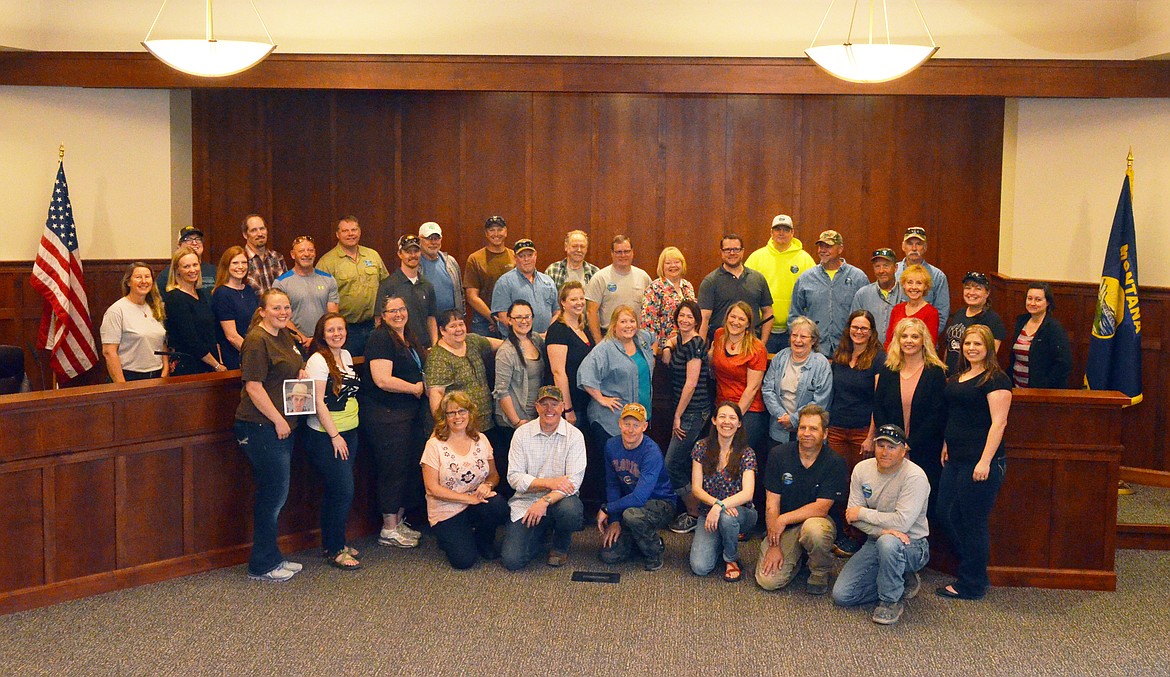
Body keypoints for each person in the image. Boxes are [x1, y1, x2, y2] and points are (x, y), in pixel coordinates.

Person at [232, 288, 305, 582]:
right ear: (262, 311)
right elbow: (253, 387)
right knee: (272, 495)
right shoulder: (256, 340)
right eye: (276, 308)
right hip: (260, 425)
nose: (283, 312)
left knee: (279, 493)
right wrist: (278, 420)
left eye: (286, 307)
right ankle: (261, 564)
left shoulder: (284, 334)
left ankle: (273, 556)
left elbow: (288, 370)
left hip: (282, 425)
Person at [937, 324, 1013, 600]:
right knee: (945, 511)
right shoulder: (960, 376)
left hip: (980, 462)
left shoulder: (996, 379)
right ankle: (971, 567)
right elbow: (956, 414)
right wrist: (947, 442)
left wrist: (985, 461)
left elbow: (999, 423)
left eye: (978, 344)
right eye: (968, 343)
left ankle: (972, 583)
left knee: (972, 521)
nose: (971, 348)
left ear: (988, 348)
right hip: (955, 458)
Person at [831, 424, 931, 626]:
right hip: (874, 540)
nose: (885, 452)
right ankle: (899, 578)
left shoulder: (915, 477)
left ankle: (890, 600)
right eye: (881, 445)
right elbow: (852, 517)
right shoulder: (862, 469)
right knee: (843, 595)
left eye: (892, 447)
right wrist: (881, 529)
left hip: (912, 545)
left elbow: (902, 523)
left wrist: (864, 513)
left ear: (904, 451)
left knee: (889, 543)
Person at [755, 404, 848, 595]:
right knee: (768, 581)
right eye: (803, 427)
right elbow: (772, 504)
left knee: (814, 531)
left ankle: (819, 571)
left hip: (816, 522)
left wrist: (783, 519)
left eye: (814, 428)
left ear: (825, 434)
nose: (807, 433)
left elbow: (821, 508)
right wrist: (774, 545)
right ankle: (799, 558)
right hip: (785, 529)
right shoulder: (778, 455)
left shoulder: (835, 462)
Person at [362, 294, 431, 549]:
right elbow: (382, 379)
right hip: (386, 416)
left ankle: (399, 521)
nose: (399, 314)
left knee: (406, 467)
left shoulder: (407, 335)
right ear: (382, 316)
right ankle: (388, 528)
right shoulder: (380, 338)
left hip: (408, 414)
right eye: (392, 311)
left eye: (402, 309)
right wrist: (414, 388)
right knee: (392, 469)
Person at [501, 386, 587, 570]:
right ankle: (542, 530)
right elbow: (514, 478)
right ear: (537, 407)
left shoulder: (575, 436)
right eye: (544, 404)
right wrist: (549, 482)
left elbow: (573, 483)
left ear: (563, 406)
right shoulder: (521, 434)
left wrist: (544, 501)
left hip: (560, 500)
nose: (550, 409)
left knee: (570, 510)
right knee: (512, 561)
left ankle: (560, 544)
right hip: (525, 503)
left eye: (554, 404)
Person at [422, 390, 510, 570]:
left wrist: (487, 485)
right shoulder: (434, 445)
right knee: (463, 561)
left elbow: (494, 475)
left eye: (462, 411)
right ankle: (448, 537)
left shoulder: (481, 439)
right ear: (444, 417)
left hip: (476, 502)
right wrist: (469, 499)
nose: (457, 417)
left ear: (470, 413)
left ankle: (483, 539)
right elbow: (431, 488)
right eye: (451, 413)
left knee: (498, 505)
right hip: (447, 510)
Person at [577, 305, 655, 503]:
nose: (628, 326)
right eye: (623, 321)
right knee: (611, 470)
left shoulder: (642, 339)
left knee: (632, 468)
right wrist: (601, 398)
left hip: (639, 417)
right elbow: (585, 374)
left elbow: (657, 339)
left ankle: (628, 508)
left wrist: (668, 347)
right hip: (610, 420)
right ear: (614, 325)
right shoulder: (605, 348)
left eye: (631, 321)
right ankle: (608, 511)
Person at [303, 312, 362, 570]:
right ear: (321, 334)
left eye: (340, 329)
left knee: (339, 491)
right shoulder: (318, 360)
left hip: (350, 430)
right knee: (342, 490)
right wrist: (334, 436)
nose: (336, 334)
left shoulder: (346, 355)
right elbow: (317, 402)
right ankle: (335, 548)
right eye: (331, 330)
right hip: (327, 435)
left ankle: (335, 540)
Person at [873, 317, 948, 505]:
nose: (909, 341)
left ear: (924, 340)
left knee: (922, 501)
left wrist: (909, 444)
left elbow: (937, 415)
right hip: (891, 449)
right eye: (904, 336)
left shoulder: (935, 372)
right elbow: (879, 407)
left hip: (924, 448)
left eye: (914, 336)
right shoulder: (889, 370)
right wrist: (893, 442)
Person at [597, 403, 675, 571]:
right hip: (629, 505)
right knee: (608, 555)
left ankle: (654, 551)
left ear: (644, 427)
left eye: (636, 425)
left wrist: (608, 509)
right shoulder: (611, 445)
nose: (630, 430)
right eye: (627, 424)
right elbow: (612, 484)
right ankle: (637, 540)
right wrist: (615, 520)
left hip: (660, 503)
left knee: (632, 516)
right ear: (620, 423)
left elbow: (640, 497)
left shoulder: (651, 452)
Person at [689, 402, 758, 582]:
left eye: (732, 418)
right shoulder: (701, 447)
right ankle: (722, 540)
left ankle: (731, 558)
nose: (727, 422)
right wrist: (717, 505)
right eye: (722, 417)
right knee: (700, 567)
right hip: (709, 513)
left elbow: (748, 493)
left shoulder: (746, 453)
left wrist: (720, 506)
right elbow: (696, 488)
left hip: (741, 513)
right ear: (713, 420)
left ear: (739, 423)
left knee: (727, 518)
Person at [660, 300, 710, 534]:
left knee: (672, 464)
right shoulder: (680, 341)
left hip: (692, 411)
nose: (685, 320)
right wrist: (668, 345)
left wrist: (678, 416)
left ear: (697, 320)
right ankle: (695, 510)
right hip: (682, 410)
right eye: (682, 316)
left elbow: (691, 383)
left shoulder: (696, 344)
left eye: (690, 317)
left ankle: (694, 513)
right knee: (680, 463)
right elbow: (666, 359)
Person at [425, 309, 505, 450]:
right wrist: (443, 425)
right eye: (453, 326)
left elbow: (502, 345)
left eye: (461, 324)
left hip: (487, 423)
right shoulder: (437, 358)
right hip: (461, 428)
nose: (459, 329)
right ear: (442, 330)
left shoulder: (472, 341)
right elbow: (436, 394)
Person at [788, 229, 870, 356]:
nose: (823, 250)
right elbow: (795, 315)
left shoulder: (858, 278)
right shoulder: (806, 278)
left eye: (829, 246)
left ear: (840, 249)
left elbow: (867, 316)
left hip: (849, 350)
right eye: (821, 246)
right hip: (815, 350)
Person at [316, 215, 389, 356]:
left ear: (359, 232)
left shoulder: (372, 255)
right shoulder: (327, 262)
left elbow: (386, 286)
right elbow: (319, 298)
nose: (351, 234)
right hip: (345, 329)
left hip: (374, 325)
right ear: (337, 234)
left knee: (375, 365)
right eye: (345, 231)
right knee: (348, 368)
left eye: (354, 230)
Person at [745, 214, 817, 353]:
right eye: (778, 229)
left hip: (795, 332)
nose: (781, 233)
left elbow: (813, 294)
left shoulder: (805, 259)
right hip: (762, 329)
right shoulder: (756, 257)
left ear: (792, 233)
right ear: (771, 232)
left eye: (786, 229)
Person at [709, 301, 770, 465]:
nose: (735, 322)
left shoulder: (756, 348)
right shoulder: (719, 335)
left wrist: (733, 418)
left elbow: (752, 388)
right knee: (717, 456)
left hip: (748, 410)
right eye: (733, 317)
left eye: (741, 319)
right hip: (721, 405)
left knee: (737, 457)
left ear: (749, 323)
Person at [761, 316, 833, 447]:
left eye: (803, 337)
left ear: (813, 340)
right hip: (778, 428)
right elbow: (767, 389)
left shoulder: (821, 364)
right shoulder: (780, 357)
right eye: (794, 335)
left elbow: (821, 401)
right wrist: (782, 416)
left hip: (809, 433)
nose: (798, 340)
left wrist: (794, 420)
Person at [828, 309, 886, 469]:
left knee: (861, 480)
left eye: (864, 328)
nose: (858, 332)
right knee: (838, 478)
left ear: (871, 332)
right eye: (855, 327)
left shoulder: (879, 358)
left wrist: (871, 437)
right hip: (837, 429)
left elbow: (879, 400)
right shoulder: (840, 355)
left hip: (863, 431)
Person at [697, 233, 773, 345]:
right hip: (721, 344)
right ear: (721, 252)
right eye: (727, 250)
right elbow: (704, 318)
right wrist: (700, 350)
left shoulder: (758, 278)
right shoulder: (710, 281)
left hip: (752, 344)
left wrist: (763, 342)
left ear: (742, 251)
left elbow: (768, 312)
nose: (732, 253)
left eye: (736, 249)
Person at [100, 262, 168, 382]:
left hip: (156, 376)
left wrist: (165, 368)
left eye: (147, 277)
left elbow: (161, 342)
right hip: (129, 377)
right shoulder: (117, 311)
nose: (144, 281)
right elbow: (109, 352)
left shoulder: (156, 307)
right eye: (138, 277)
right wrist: (122, 385)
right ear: (128, 282)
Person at [164, 247, 226, 376]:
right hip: (190, 367)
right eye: (186, 266)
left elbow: (211, 332)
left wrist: (218, 361)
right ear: (177, 270)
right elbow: (191, 339)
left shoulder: (201, 294)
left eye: (195, 265)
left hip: (210, 364)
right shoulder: (175, 298)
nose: (192, 270)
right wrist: (216, 365)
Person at [272, 235, 339, 349]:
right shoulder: (281, 283)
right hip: (294, 343)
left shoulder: (329, 280)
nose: (306, 254)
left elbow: (332, 314)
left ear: (315, 253)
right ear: (293, 255)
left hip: (324, 341)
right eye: (301, 251)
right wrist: (301, 338)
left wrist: (318, 338)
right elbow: (280, 316)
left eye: (310, 250)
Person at [545, 281, 595, 429]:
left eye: (581, 298)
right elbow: (558, 372)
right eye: (573, 299)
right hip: (569, 404)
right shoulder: (558, 330)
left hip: (584, 400)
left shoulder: (583, 328)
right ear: (563, 302)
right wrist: (567, 408)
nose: (579, 303)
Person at [585, 235, 652, 343]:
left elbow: (651, 310)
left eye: (626, 251)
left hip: (637, 337)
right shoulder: (600, 278)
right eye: (619, 252)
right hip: (609, 337)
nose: (623, 255)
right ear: (612, 253)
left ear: (632, 252)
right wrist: (599, 342)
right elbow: (591, 312)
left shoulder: (643, 277)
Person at [377, 234, 439, 348]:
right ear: (400, 254)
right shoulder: (388, 285)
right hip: (398, 348)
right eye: (408, 252)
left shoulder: (427, 285)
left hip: (424, 348)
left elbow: (431, 318)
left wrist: (435, 345)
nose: (413, 255)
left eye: (416, 251)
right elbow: (378, 320)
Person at [494, 300, 547, 433]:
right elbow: (501, 391)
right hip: (514, 421)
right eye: (518, 317)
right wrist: (516, 422)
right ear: (510, 320)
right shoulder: (506, 352)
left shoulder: (536, 340)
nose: (524, 321)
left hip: (536, 416)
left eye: (527, 317)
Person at [1008, 281, 1072, 389]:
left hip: (1041, 392)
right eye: (1029, 298)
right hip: (1017, 387)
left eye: (1038, 300)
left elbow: (1064, 364)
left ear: (1047, 302)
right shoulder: (1021, 321)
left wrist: (1044, 387)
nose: (1032, 303)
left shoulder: (1053, 328)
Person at [491, 238, 559, 337]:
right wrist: (526, 335)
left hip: (546, 340)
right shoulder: (504, 283)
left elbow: (557, 311)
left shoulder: (548, 281)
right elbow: (503, 316)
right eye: (522, 256)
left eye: (530, 255)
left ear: (535, 255)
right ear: (515, 258)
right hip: (517, 343)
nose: (526, 259)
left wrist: (549, 333)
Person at [942, 271, 1006, 374]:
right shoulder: (959, 313)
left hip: (972, 378)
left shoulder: (993, 320)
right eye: (968, 288)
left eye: (978, 288)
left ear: (987, 293)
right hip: (951, 377)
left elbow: (990, 356)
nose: (971, 292)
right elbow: (949, 346)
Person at [464, 215, 515, 338]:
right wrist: (493, 318)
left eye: (500, 229)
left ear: (506, 232)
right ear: (486, 233)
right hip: (483, 322)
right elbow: (471, 296)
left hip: (511, 320)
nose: (496, 234)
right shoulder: (475, 259)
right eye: (492, 230)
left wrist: (505, 320)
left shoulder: (515, 256)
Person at [210, 246, 258, 370]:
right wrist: (254, 355)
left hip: (253, 349)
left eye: (244, 263)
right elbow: (231, 336)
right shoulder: (222, 293)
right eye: (235, 263)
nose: (240, 267)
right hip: (235, 356)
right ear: (226, 266)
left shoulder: (249, 290)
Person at [640, 246, 696, 351]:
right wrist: (655, 350)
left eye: (676, 262)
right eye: (668, 263)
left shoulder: (688, 286)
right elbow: (648, 322)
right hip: (664, 348)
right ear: (662, 266)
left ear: (682, 264)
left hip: (687, 345)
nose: (673, 266)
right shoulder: (654, 288)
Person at [895, 226, 950, 323]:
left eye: (919, 244)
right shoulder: (893, 272)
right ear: (903, 246)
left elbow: (941, 315)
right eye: (910, 244)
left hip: (924, 335)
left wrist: (926, 337)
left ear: (925, 247)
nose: (914, 248)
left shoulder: (938, 276)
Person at [884, 264, 940, 350]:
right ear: (903, 285)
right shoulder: (897, 309)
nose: (913, 287)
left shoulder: (931, 312)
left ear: (925, 286)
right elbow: (889, 341)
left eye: (919, 283)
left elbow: (929, 346)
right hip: (895, 360)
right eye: (910, 282)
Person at [851, 248, 900, 340]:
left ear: (895, 267)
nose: (881, 271)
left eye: (886, 266)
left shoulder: (906, 293)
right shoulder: (862, 295)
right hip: (870, 351)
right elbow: (854, 327)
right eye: (877, 266)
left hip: (900, 351)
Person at [418, 221, 464, 317]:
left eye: (436, 238)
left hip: (450, 324)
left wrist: (461, 316)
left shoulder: (451, 262)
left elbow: (461, 293)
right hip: (424, 322)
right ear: (420, 240)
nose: (433, 242)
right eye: (429, 238)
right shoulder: (415, 265)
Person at [155, 226, 216, 290]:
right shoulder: (167, 274)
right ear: (179, 245)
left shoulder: (213, 270)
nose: (194, 243)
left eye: (198, 239)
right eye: (188, 240)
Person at [241, 214, 287, 294]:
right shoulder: (240, 260)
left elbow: (287, 288)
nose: (260, 234)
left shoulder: (278, 258)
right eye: (254, 230)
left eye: (262, 229)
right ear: (245, 235)